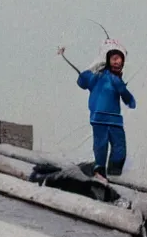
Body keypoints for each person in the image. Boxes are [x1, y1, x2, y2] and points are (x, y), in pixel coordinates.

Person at [58, 39, 136, 184]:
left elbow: (123, 94)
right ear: (106, 60)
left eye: (120, 59)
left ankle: (112, 173)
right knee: (103, 145)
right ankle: (103, 171)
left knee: (118, 147)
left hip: (114, 119)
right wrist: (131, 101)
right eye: (114, 59)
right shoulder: (100, 76)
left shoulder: (112, 78)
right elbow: (82, 81)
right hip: (101, 118)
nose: (117, 62)